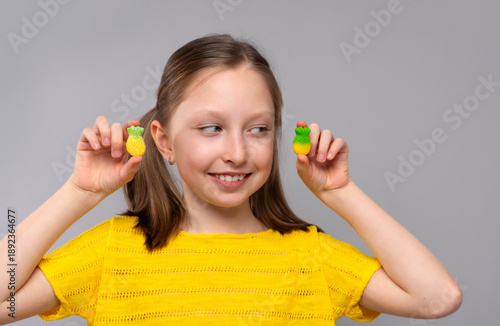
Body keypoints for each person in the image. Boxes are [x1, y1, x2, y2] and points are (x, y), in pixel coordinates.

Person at [0, 33, 462, 325]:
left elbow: (438, 298)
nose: (238, 152)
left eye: (258, 129)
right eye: (212, 128)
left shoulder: (311, 256)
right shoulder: (111, 252)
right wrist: (79, 193)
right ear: (162, 141)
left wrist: (341, 194)